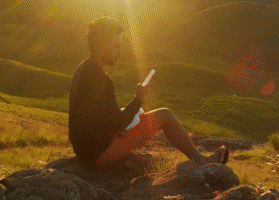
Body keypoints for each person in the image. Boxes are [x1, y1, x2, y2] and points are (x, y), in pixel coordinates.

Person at [68, 17, 229, 168]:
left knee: (139, 116)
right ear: (102, 45)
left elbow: (97, 119)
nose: (120, 52)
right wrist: (139, 99)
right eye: (116, 46)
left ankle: (201, 159)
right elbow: (118, 124)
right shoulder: (100, 79)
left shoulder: (82, 70)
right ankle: (203, 161)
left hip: (85, 152)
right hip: (101, 155)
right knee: (165, 115)